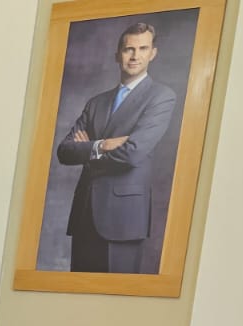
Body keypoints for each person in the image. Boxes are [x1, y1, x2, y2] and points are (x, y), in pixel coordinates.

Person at [55, 23, 179, 274]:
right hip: (85, 215)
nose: (135, 56)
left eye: (142, 48)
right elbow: (65, 151)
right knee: (76, 299)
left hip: (123, 218)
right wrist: (102, 145)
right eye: (128, 49)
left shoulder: (161, 97)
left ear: (152, 53)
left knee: (114, 304)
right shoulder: (96, 102)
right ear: (117, 54)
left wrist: (88, 150)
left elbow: (133, 152)